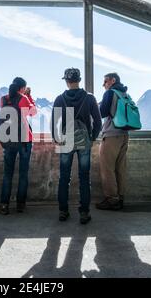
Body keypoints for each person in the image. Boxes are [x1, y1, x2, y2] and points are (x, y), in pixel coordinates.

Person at [52, 68, 102, 225]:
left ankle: (63, 211)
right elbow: (98, 121)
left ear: (66, 81)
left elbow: (54, 123)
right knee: (84, 177)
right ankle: (84, 213)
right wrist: (92, 137)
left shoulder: (60, 99)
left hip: (66, 140)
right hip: (83, 141)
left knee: (64, 177)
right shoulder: (89, 98)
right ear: (79, 80)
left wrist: (57, 138)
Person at [0, 77, 37, 215]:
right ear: (22, 88)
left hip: (9, 139)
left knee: (8, 174)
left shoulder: (3, 99)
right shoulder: (23, 98)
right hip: (24, 140)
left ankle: (4, 205)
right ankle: (20, 205)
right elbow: (33, 112)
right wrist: (29, 96)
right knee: (23, 174)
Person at [96, 72, 130, 211]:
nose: (103, 84)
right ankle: (120, 198)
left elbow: (103, 112)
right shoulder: (125, 94)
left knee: (107, 169)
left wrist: (97, 106)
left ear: (113, 80)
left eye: (105, 81)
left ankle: (111, 199)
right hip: (124, 134)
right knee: (120, 168)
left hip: (111, 135)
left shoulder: (110, 93)